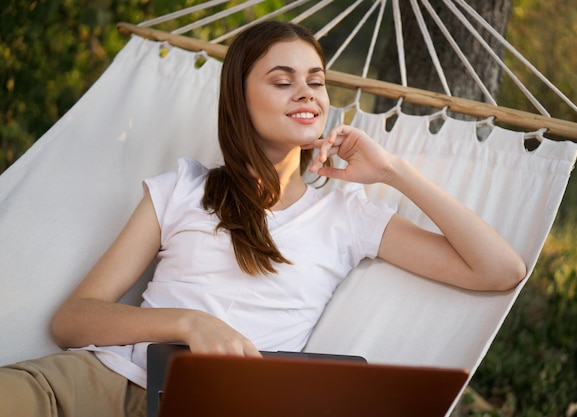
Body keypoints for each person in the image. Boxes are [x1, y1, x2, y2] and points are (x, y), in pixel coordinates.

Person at [0, 20, 526, 417]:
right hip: (99, 383)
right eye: (282, 80)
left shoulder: (348, 216)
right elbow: (72, 321)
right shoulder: (184, 188)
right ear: (240, 97)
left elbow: (499, 270)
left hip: (219, 406)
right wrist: (188, 322)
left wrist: (394, 172)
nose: (307, 93)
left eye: (316, 82)